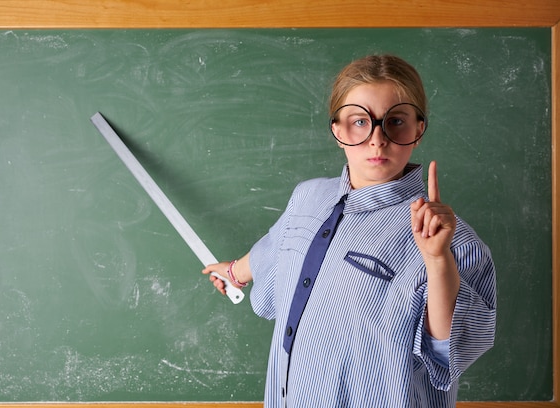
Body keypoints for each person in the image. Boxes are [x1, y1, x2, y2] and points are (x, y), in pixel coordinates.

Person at [203, 54, 496, 407]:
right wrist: (234, 271)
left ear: (418, 129)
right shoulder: (309, 197)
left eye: (395, 121)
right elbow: (280, 245)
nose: (377, 139)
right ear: (338, 131)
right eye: (360, 121)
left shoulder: (453, 243)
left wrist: (437, 262)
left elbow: (449, 352)